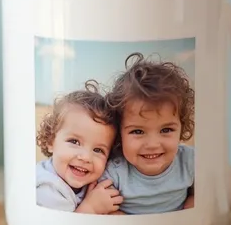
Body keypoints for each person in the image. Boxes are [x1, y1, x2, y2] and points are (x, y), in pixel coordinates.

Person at [100, 52, 195, 214]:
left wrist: (191, 204)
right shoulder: (113, 172)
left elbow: (207, 193)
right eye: (138, 131)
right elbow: (103, 210)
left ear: (181, 127)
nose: (152, 144)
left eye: (166, 130)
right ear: (119, 133)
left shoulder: (190, 161)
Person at [35, 81, 123, 214]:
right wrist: (91, 207)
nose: (86, 157)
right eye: (74, 142)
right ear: (51, 141)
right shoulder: (47, 187)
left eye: (98, 150)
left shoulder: (91, 179)